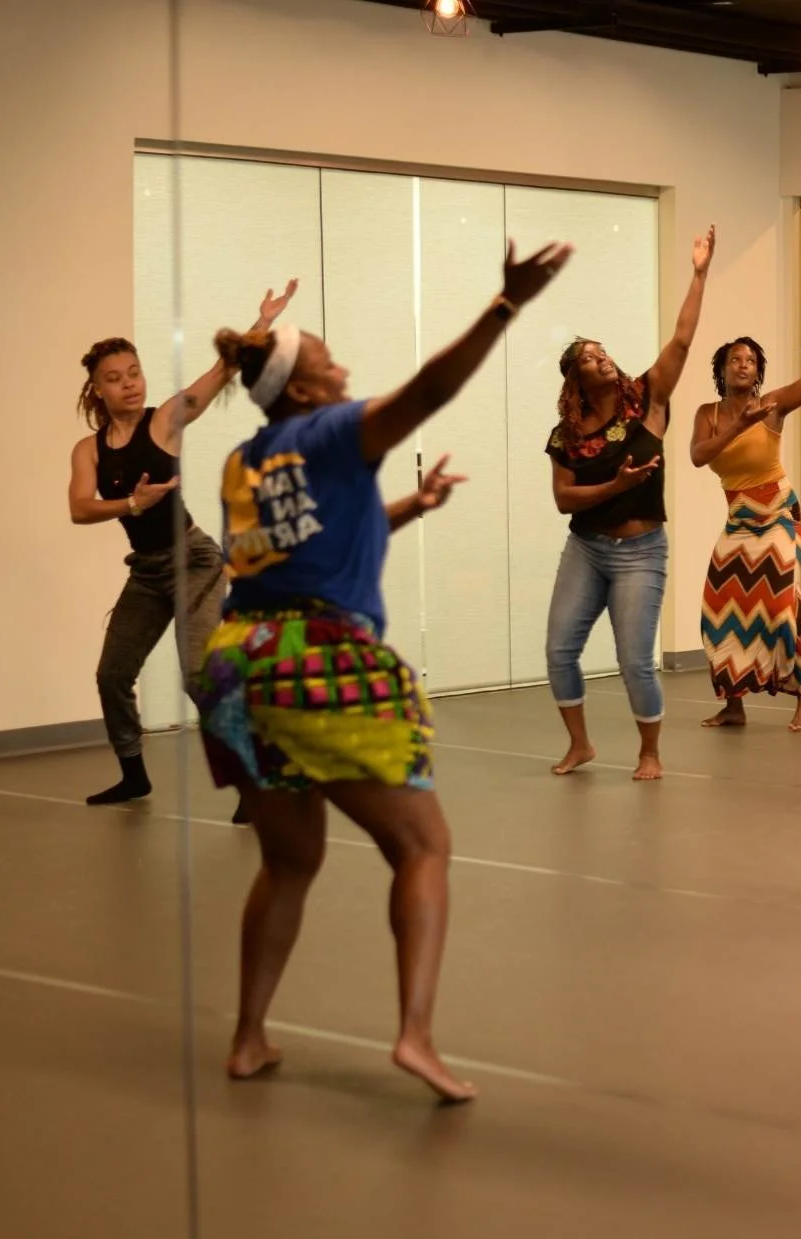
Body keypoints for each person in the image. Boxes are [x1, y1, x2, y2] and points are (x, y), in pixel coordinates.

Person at [191, 238, 575, 1101]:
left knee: (288, 864)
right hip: (315, 662)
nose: (344, 367)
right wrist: (504, 305)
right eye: (329, 360)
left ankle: (249, 1038)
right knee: (423, 845)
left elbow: (295, 556)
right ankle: (415, 1037)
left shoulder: (244, 460)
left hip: (238, 668)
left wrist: (407, 505)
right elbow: (432, 390)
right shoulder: (333, 429)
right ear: (302, 388)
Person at [68, 280, 298, 820]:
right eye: (114, 379)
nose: (128, 384)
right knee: (111, 675)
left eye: (134, 373)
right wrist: (132, 503)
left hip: (193, 558)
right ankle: (132, 775)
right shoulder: (89, 450)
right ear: (96, 389)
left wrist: (260, 321)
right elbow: (79, 508)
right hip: (147, 571)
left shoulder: (164, 419)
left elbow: (222, 371)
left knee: (198, 674)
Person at [544, 226, 716, 781]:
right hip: (587, 548)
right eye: (590, 359)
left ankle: (650, 753)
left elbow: (683, 341)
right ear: (576, 378)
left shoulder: (646, 398)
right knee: (559, 649)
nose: (603, 360)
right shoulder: (565, 434)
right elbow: (563, 498)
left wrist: (699, 274)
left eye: (603, 353)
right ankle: (580, 745)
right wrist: (614, 488)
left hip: (642, 549)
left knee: (635, 660)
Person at [692, 288, 801, 731]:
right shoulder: (707, 414)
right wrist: (737, 427)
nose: (743, 365)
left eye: (750, 360)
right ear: (722, 371)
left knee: (782, 605)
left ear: (758, 371)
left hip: (780, 513)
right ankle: (733, 704)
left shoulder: (772, 405)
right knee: (718, 608)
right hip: (739, 521)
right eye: (735, 360)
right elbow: (698, 456)